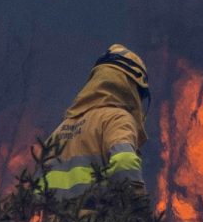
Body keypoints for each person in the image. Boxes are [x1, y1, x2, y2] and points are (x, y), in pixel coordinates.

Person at [36, 45, 150, 206]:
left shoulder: (59, 131)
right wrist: (137, 209)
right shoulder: (117, 119)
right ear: (131, 86)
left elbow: (36, 192)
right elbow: (124, 161)